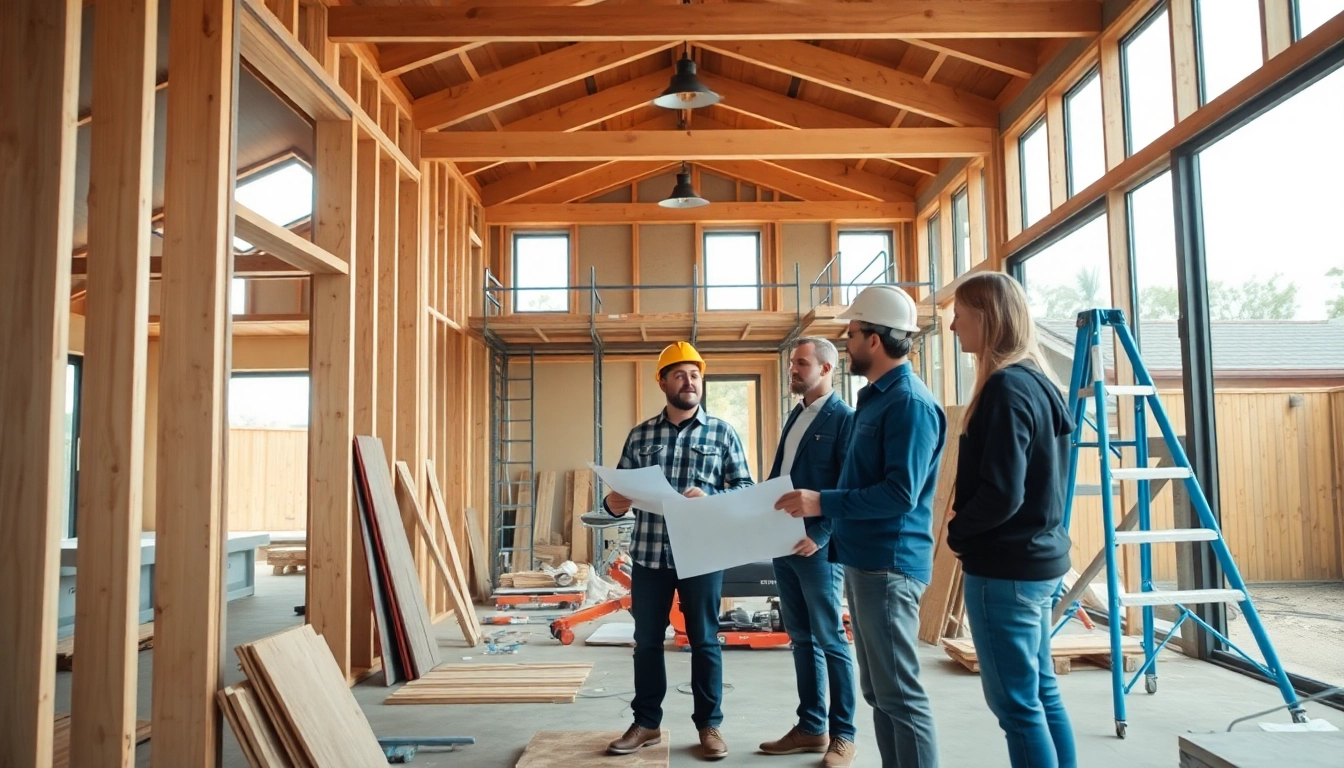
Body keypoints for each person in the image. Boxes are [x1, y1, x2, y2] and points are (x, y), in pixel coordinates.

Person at [776, 285, 945, 768]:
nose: (846, 343)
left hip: (889, 564)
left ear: (874, 338)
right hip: (864, 560)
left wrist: (820, 502)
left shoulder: (908, 404)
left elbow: (900, 494)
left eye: (851, 333)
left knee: (901, 695)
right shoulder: (876, 399)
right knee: (880, 692)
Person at [946, 272, 1077, 768]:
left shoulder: (1005, 388)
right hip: (1039, 562)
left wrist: (959, 530)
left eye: (960, 313)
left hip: (1006, 570)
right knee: (1041, 693)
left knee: (1018, 707)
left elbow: (1003, 493)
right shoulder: (1041, 383)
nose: (954, 325)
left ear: (986, 316)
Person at [603, 341, 754, 761]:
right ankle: (646, 723)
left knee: (705, 641)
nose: (690, 382)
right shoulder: (641, 435)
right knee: (647, 640)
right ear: (663, 382)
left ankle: (709, 726)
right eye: (680, 375)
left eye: (695, 375)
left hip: (702, 555)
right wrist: (612, 504)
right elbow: (620, 493)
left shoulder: (722, 433)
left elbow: (744, 489)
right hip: (650, 556)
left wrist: (708, 497)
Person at [759, 337, 859, 767]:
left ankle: (844, 735)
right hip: (783, 542)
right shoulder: (796, 416)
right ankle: (811, 728)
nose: (793, 370)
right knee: (800, 639)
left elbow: (848, 485)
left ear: (827, 368)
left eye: (802, 363)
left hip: (815, 546)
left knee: (831, 640)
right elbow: (781, 478)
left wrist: (823, 534)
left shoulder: (844, 419)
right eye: (792, 364)